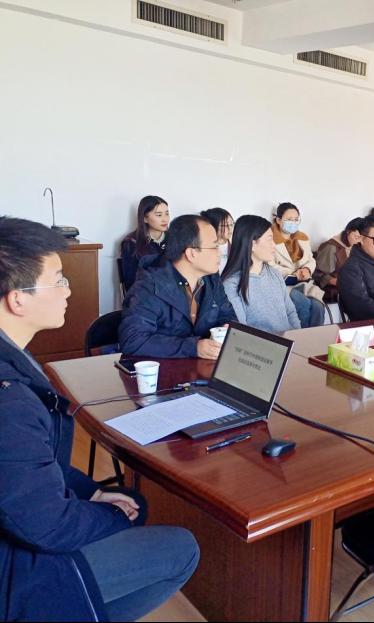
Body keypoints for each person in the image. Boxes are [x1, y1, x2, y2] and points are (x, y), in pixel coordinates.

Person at [0, 216, 199, 621]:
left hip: (22, 526)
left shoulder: (14, 360)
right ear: (17, 299)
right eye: (58, 279)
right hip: (15, 568)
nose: (68, 290)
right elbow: (45, 525)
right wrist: (110, 513)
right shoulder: (10, 400)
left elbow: (29, 468)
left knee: (132, 502)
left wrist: (91, 494)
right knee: (179, 548)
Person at [119, 214, 237, 359]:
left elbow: (228, 316)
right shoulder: (150, 285)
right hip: (163, 369)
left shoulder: (211, 279)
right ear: (191, 253)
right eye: (214, 247)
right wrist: (193, 347)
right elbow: (133, 340)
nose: (219, 253)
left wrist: (227, 329)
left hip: (202, 367)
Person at [222, 215, 301, 334]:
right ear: (252, 244)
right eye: (269, 239)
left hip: (288, 341)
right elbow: (241, 329)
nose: (274, 245)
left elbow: (290, 312)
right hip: (260, 344)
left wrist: (297, 336)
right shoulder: (231, 284)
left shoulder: (275, 274)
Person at [270, 202, 325, 328]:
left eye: (296, 219)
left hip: (304, 283)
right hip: (284, 285)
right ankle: (300, 338)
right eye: (289, 219)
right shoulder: (269, 238)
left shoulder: (302, 237)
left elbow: (311, 259)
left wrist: (306, 269)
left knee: (318, 306)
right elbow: (269, 265)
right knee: (302, 304)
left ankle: (316, 337)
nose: (293, 223)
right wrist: (293, 273)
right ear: (278, 220)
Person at [120, 195, 169, 291]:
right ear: (145, 218)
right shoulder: (131, 243)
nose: (165, 219)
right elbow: (130, 281)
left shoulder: (175, 239)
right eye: (159, 215)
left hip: (173, 292)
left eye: (167, 214)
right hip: (146, 293)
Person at [313, 217, 363, 302]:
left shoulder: (356, 247)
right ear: (348, 232)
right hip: (332, 290)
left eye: (361, 239)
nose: (358, 241)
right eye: (356, 237)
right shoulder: (331, 247)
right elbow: (318, 274)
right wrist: (336, 281)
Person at [200, 207, 235, 273]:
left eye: (231, 224)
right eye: (224, 225)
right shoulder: (202, 249)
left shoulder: (235, 249)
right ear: (212, 226)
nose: (230, 228)